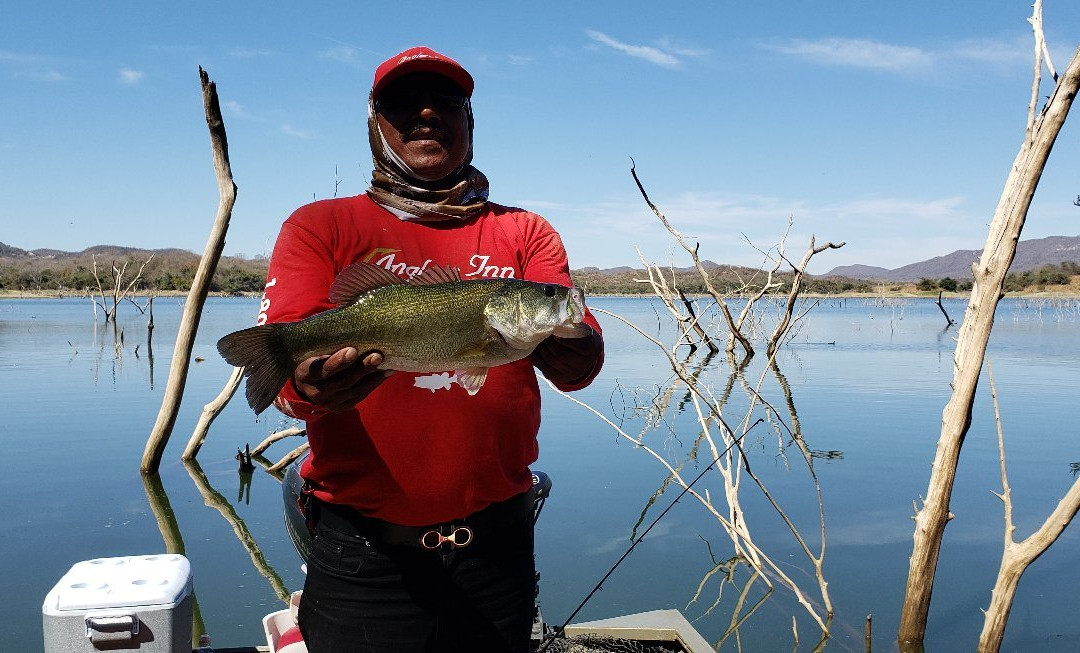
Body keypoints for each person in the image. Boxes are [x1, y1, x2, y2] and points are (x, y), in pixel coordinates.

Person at [258, 46, 605, 653]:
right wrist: (307, 385)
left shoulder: (526, 232)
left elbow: (579, 356)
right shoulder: (318, 226)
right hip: (362, 555)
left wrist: (578, 348)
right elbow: (289, 383)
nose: (425, 112)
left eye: (445, 100)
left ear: (470, 120)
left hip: (496, 550)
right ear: (374, 123)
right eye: (402, 101)